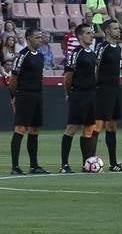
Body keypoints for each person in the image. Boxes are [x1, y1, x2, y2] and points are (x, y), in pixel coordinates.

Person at [9, 29, 50, 175]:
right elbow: (13, 79)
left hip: (37, 95)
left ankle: (34, 166)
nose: (40, 40)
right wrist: (14, 96)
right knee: (20, 129)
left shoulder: (39, 56)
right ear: (28, 38)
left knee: (34, 129)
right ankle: (15, 167)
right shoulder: (22, 55)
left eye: (41, 37)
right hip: (24, 95)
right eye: (37, 37)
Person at [60, 24, 98, 173]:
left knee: (88, 129)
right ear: (80, 36)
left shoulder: (92, 53)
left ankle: (86, 163)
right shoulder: (75, 53)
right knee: (71, 128)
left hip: (91, 94)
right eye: (88, 33)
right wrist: (69, 93)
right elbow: (68, 77)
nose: (91, 35)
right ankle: (64, 165)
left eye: (92, 33)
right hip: (78, 94)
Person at [94, 20, 122, 172]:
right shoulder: (103, 47)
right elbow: (96, 67)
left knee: (112, 126)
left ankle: (113, 163)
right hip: (103, 89)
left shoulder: (118, 48)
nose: (118, 30)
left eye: (118, 28)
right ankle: (90, 159)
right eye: (114, 28)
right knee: (98, 125)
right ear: (107, 31)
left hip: (115, 89)